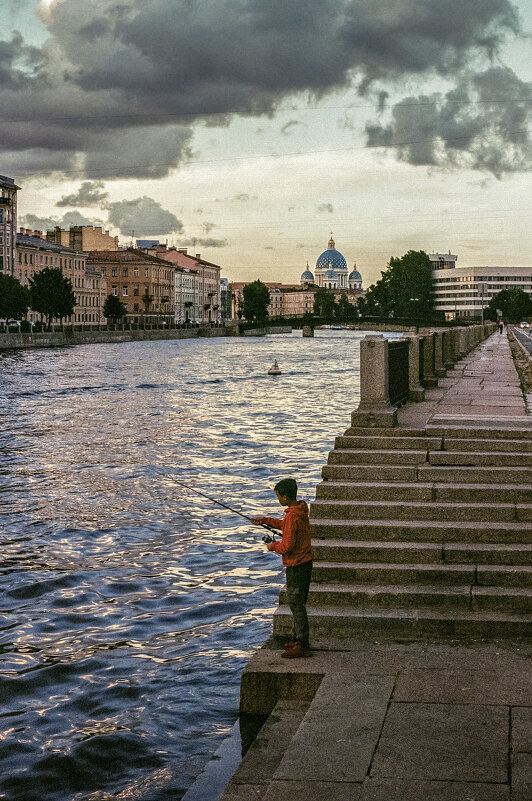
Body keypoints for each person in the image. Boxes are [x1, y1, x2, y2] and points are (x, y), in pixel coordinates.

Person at [251, 478, 313, 658]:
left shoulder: (292, 516)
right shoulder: (299, 511)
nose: (278, 499)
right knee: (297, 602)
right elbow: (285, 525)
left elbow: (287, 546)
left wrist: (272, 547)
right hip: (305, 562)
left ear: (285, 497)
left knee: (296, 604)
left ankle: (302, 643)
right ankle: (297, 638)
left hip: (297, 564)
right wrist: (266, 520)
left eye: (278, 496)